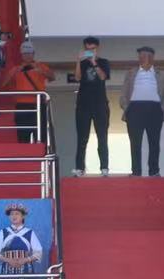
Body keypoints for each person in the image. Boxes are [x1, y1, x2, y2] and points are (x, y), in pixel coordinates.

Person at [122, 46, 164, 178]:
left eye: (147, 56)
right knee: (135, 142)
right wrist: (127, 108)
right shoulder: (131, 73)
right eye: (141, 56)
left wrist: (162, 107)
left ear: (152, 58)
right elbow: (124, 92)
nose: (144, 58)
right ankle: (136, 172)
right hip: (135, 109)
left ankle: (154, 171)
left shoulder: (160, 74)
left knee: (154, 142)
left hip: (154, 109)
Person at [70, 37, 112, 176]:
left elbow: (103, 77)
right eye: (88, 49)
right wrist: (78, 60)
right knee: (82, 138)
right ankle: (80, 168)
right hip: (83, 104)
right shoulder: (82, 63)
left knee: (102, 137)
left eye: (93, 49)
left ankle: (104, 167)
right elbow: (77, 78)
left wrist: (94, 62)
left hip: (100, 104)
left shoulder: (104, 62)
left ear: (97, 48)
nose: (90, 51)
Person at [0, 44, 50, 146]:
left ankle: (41, 157)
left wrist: (40, 70)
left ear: (33, 54)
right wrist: (15, 71)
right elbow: (4, 84)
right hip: (22, 106)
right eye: (25, 54)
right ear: (22, 55)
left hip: (39, 105)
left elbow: (52, 77)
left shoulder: (41, 66)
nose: (27, 56)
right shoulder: (16, 69)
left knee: (41, 136)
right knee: (23, 137)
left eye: (29, 53)